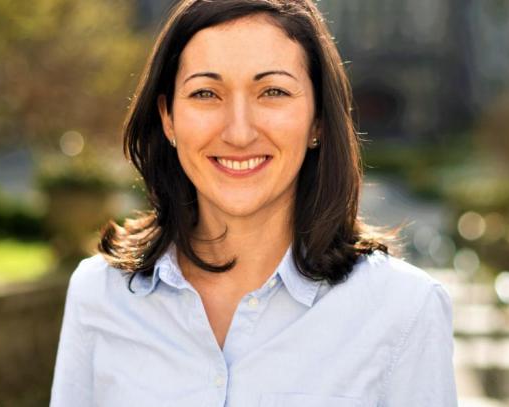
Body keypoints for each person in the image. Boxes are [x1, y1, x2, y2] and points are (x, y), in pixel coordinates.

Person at [49, 0, 457, 405]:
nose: (239, 132)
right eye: (206, 93)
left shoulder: (406, 311)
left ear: (317, 119)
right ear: (168, 118)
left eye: (273, 92)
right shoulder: (99, 295)